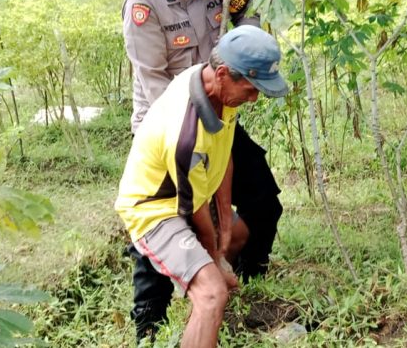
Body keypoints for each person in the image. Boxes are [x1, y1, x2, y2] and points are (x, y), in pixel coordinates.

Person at [122, 0, 284, 341]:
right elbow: (154, 83)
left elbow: (248, 19)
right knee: (168, 216)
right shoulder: (144, 6)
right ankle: (150, 323)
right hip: (171, 121)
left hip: (221, 105)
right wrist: (199, 137)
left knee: (264, 197)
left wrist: (247, 70)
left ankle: (248, 275)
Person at [114, 26, 288, 348]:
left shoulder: (213, 85)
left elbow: (223, 158)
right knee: (212, 294)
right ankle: (196, 302)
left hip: (189, 192)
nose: (255, 98)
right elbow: (192, 211)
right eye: (252, 89)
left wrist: (224, 226)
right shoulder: (185, 134)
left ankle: (204, 312)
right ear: (223, 74)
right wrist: (215, 255)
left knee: (237, 235)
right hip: (156, 208)